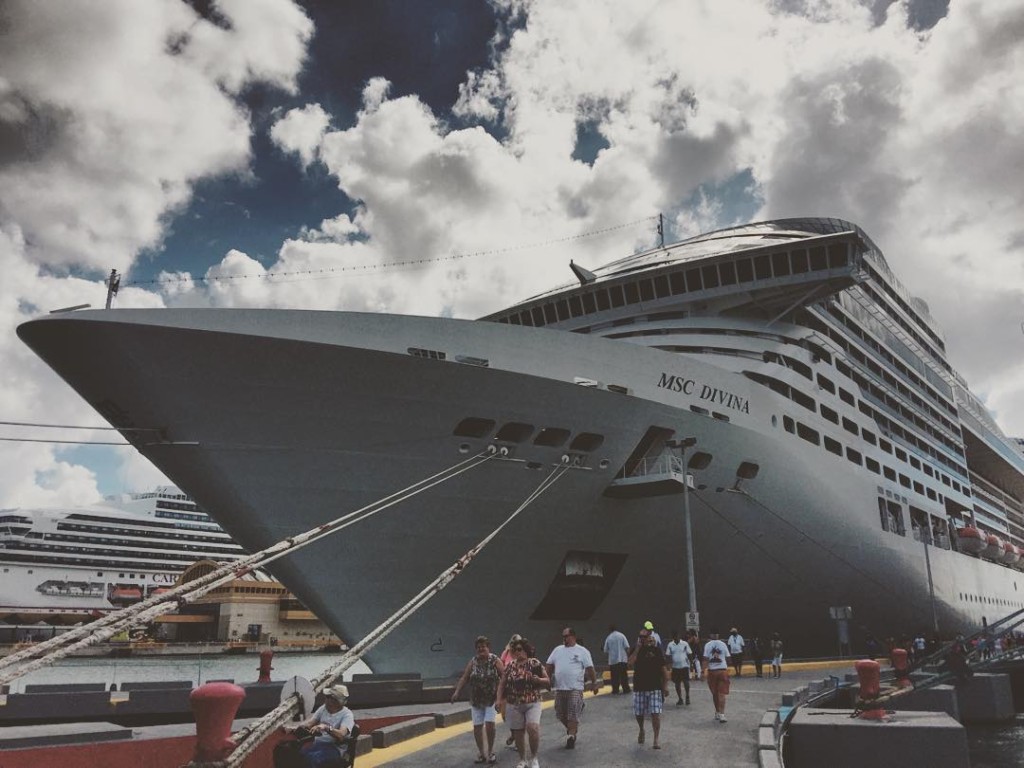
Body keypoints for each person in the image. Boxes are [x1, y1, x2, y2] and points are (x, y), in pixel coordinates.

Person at [497, 637, 550, 768]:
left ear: (525, 650)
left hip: (532, 701)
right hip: (514, 703)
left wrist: (538, 680)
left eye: (519, 649)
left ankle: (534, 758)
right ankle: (522, 760)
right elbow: (502, 684)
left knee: (533, 728)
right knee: (518, 732)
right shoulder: (510, 666)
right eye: (514, 650)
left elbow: (547, 681)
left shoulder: (534, 663)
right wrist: (498, 700)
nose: (516, 652)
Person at [452, 635, 505, 764]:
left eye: (483, 647)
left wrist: (501, 697)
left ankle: (490, 751)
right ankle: (482, 753)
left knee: (490, 725)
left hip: (492, 698)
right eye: (479, 647)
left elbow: (504, 677)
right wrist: (457, 691)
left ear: (488, 647)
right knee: (477, 727)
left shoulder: (495, 660)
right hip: (476, 700)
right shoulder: (473, 661)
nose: (481, 649)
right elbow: (465, 677)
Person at [276, 684, 355, 768]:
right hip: (318, 745)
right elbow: (309, 724)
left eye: (328, 697)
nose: (326, 699)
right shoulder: (323, 708)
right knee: (295, 756)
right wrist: (293, 727)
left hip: (335, 749)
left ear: (335, 700)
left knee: (313, 759)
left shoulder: (347, 715)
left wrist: (326, 728)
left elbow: (341, 735)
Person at [546, 626, 599, 749]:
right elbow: (549, 665)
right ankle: (572, 730)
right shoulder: (557, 650)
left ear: (573, 637)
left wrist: (594, 682)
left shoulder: (582, 651)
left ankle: (571, 735)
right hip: (560, 688)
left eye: (566, 636)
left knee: (572, 714)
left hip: (575, 688)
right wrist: (547, 680)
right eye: (563, 637)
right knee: (560, 714)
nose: (564, 639)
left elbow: (590, 668)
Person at [629, 626, 669, 749]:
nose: (641, 639)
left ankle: (656, 739)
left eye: (644, 637)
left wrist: (665, 686)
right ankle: (641, 729)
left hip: (655, 686)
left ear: (649, 637)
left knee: (655, 713)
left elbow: (664, 670)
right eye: (640, 636)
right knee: (639, 713)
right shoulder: (636, 650)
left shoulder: (656, 650)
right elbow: (630, 663)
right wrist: (637, 649)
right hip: (640, 686)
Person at [499, 634, 523, 749]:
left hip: (518, 687)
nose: (515, 646)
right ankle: (514, 734)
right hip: (506, 687)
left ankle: (518, 739)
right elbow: (500, 667)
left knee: (517, 714)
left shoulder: (522, 653)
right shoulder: (505, 653)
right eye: (513, 643)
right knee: (505, 715)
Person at [703, 629, 731, 722]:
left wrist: (703, 672)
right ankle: (722, 714)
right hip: (722, 670)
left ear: (711, 635)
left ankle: (718, 712)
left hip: (712, 671)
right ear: (718, 635)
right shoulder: (723, 644)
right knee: (721, 693)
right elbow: (728, 657)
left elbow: (705, 659)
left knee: (715, 693)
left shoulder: (707, 645)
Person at [665, 629, 692, 704]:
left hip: (684, 665)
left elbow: (689, 654)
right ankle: (680, 698)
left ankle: (687, 696)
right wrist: (668, 665)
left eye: (677, 636)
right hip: (675, 667)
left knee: (686, 682)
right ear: (672, 637)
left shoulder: (685, 644)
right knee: (677, 683)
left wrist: (691, 664)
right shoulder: (670, 645)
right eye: (674, 636)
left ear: (679, 636)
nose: (676, 637)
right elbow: (668, 655)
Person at [603, 624, 631, 694]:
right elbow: (627, 647)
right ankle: (626, 689)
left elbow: (605, 650)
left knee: (614, 676)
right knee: (623, 675)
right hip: (622, 659)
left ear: (609, 630)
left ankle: (615, 690)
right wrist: (629, 657)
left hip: (613, 661)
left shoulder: (608, 638)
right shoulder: (621, 635)